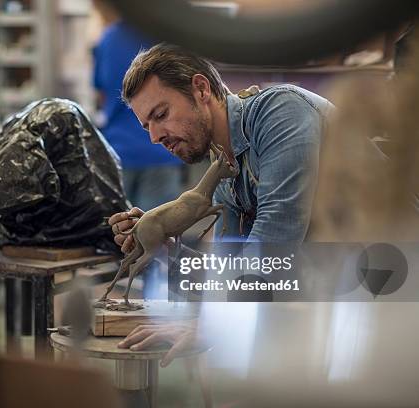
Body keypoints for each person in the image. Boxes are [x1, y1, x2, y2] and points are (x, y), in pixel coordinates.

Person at [107, 43, 333, 362]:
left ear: (201, 89)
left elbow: (276, 235)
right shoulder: (223, 172)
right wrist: (162, 246)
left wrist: (213, 326)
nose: (155, 137)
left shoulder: (280, 111)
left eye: (161, 115)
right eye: (147, 126)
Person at [92, 0, 182, 210]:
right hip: (160, 151)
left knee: (118, 234)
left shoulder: (107, 39)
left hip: (118, 153)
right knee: (158, 237)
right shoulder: (164, 36)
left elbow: (101, 94)